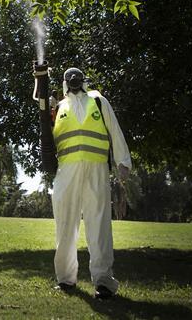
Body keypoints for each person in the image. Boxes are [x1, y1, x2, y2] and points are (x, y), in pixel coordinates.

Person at [51, 67, 131, 299]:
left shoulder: (97, 100)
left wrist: (122, 161)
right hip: (67, 171)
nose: (74, 80)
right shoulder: (58, 107)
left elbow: (114, 129)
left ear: (83, 80)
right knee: (65, 224)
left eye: (77, 76)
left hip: (96, 169)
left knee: (99, 224)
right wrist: (46, 109)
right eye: (69, 77)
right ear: (65, 83)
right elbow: (47, 139)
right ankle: (66, 279)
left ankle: (103, 282)